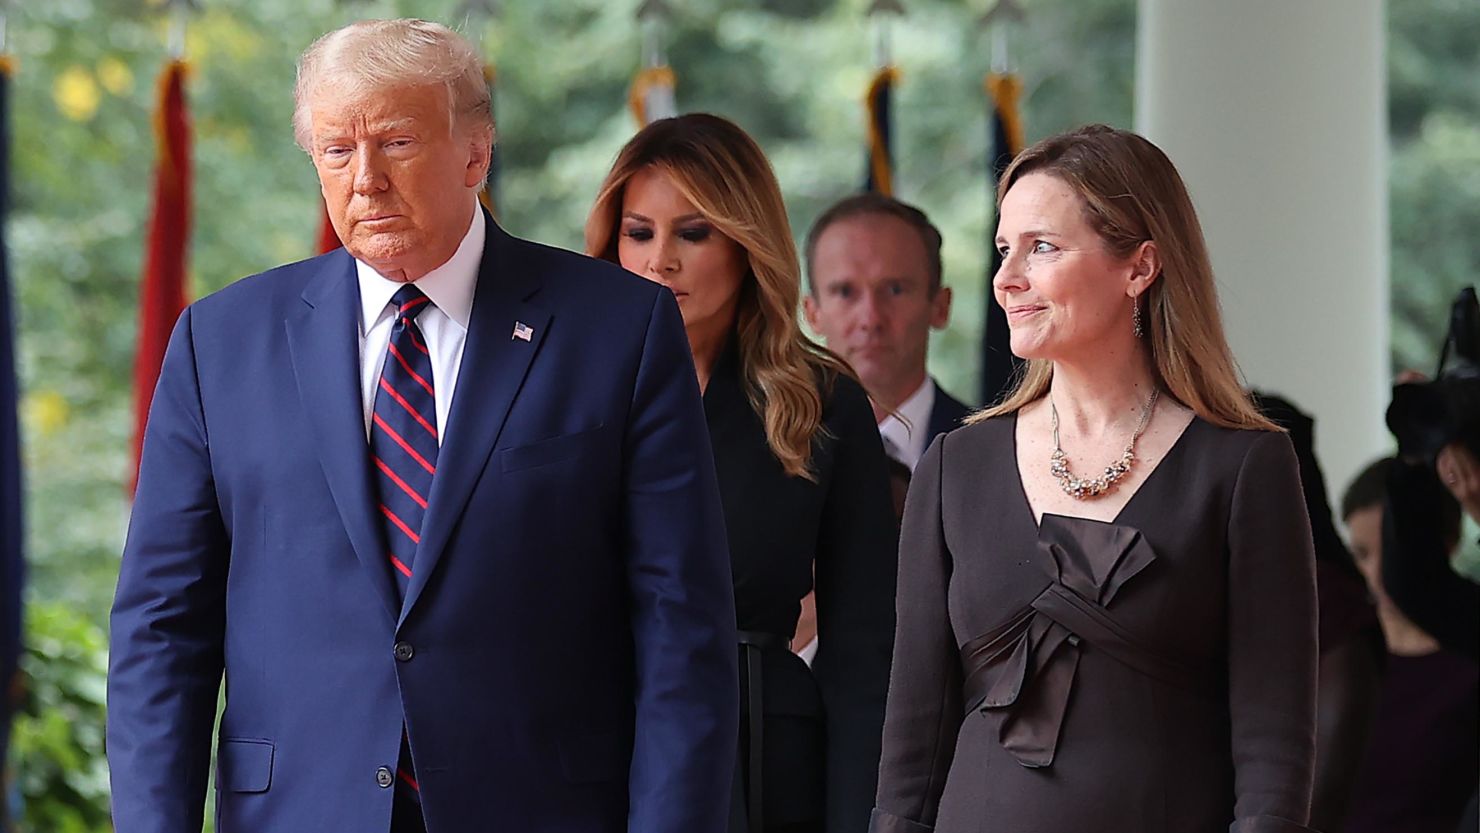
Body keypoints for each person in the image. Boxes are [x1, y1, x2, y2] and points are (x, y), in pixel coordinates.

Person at [107, 20, 738, 833]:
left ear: (476, 154)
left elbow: (681, 631)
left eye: (395, 142)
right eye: (336, 151)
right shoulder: (219, 342)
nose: (363, 180)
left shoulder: (618, 329)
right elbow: (161, 630)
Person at [872, 124, 1318, 833]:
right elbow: (911, 749)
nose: (1006, 278)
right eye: (1003, 248)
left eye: (1041, 246)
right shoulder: (955, 466)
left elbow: (1274, 754)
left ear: (1139, 266)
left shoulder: (1243, 467)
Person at [586, 113, 898, 833]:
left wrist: (863, 820)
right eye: (639, 233)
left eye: (692, 233)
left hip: (765, 765)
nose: (660, 259)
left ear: (745, 243)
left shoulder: (821, 400)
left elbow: (865, 651)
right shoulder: (556, 390)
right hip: (590, 752)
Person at [1338, 457, 1478, 833]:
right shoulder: (1337, 658)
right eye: (1361, 555)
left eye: (1390, 549)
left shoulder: (1468, 663)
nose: (1376, 574)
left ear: (1446, 544)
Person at [803, 194, 971, 472]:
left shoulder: (1002, 451)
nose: (870, 319)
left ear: (940, 307)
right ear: (812, 313)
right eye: (845, 292)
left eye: (895, 290)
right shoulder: (769, 450)